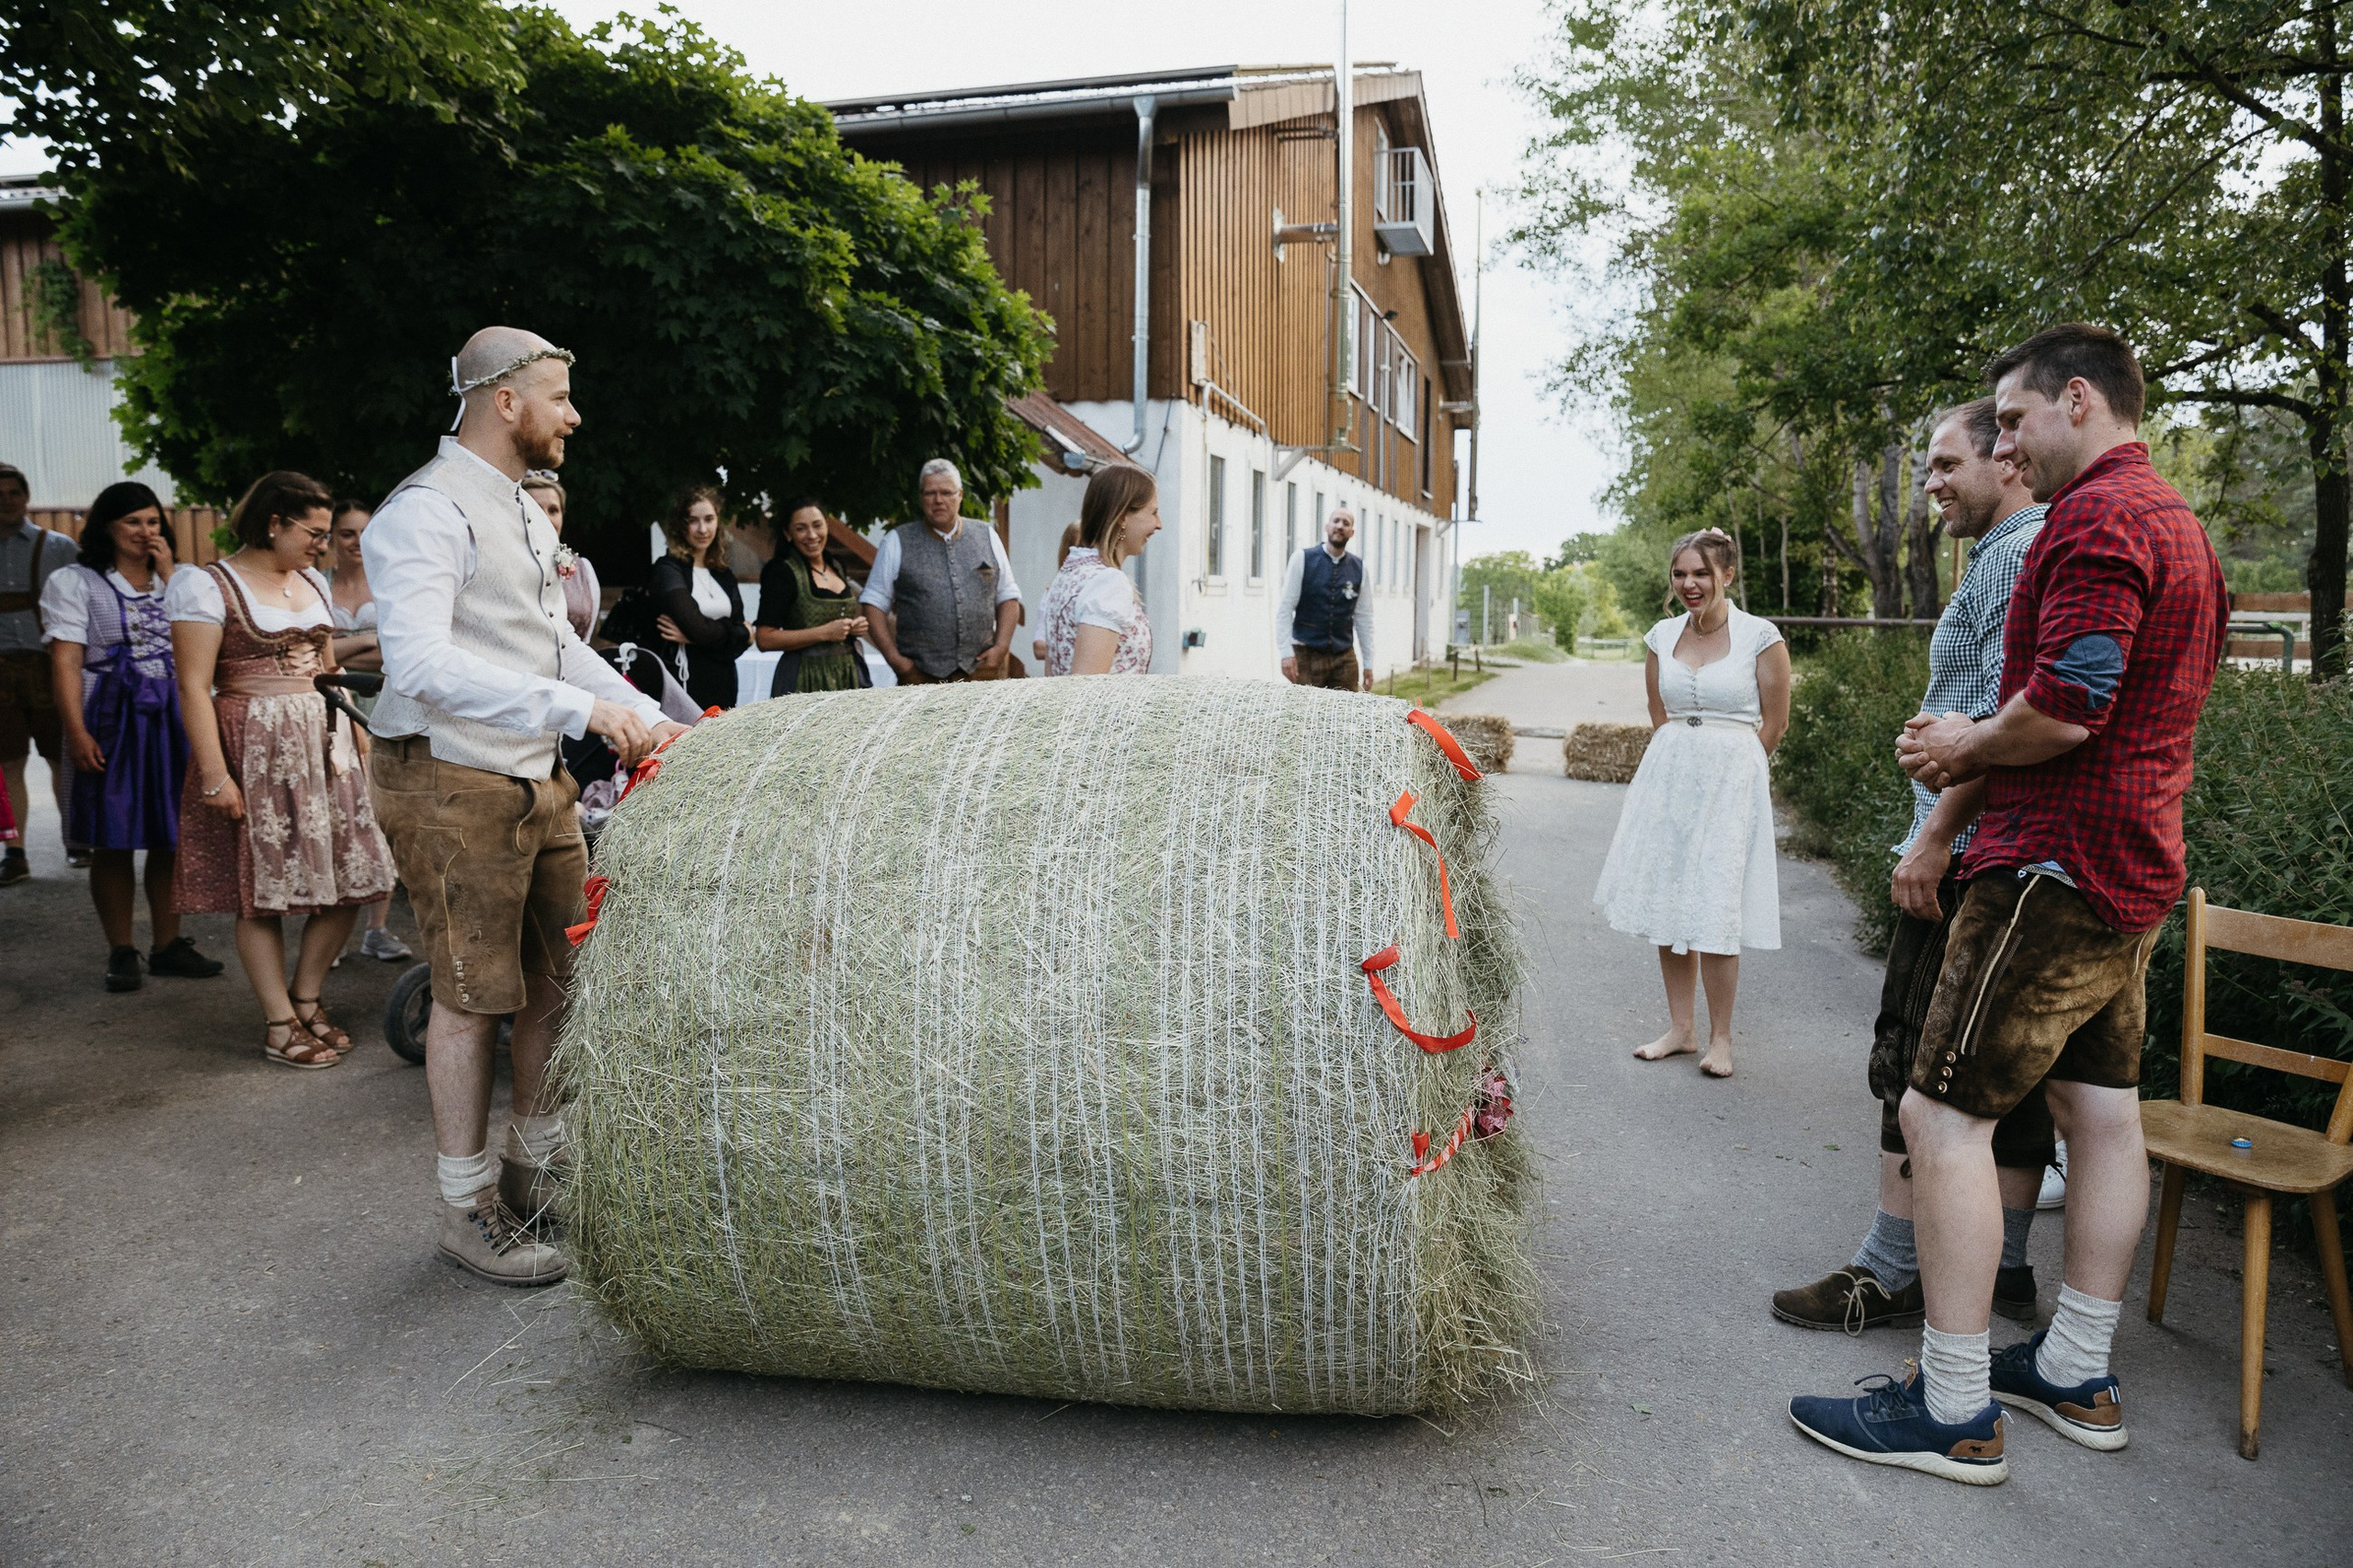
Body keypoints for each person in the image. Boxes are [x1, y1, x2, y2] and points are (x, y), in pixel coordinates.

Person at [1790, 324, 2228, 1484]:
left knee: (1940, 1118)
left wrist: (1958, 749)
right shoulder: (2182, 524)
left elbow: (2068, 705)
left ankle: (1952, 1405)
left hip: (2049, 865)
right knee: (2101, 1117)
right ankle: (2074, 1369)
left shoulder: (2093, 520)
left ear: (2076, 400)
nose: (2009, 445)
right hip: (2138, 865)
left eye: (2017, 420)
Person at [366, 325, 685, 1287]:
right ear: (506, 401)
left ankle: (532, 1167)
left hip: (531, 773)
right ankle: (467, 1210)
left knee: (556, 978)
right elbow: (420, 665)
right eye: (559, 395)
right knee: (470, 997)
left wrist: (643, 713)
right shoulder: (421, 514)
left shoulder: (519, 510)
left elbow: (547, 646)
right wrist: (576, 710)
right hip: (448, 775)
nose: (573, 414)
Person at [1770, 397, 2053, 1335]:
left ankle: (1888, 1270)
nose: (1928, 484)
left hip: (1970, 849)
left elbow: (2010, 721)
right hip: (2001, 849)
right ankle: (2004, 1264)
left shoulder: (2016, 556)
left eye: (1943, 464)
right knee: (1997, 1076)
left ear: (2004, 459)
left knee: (1914, 1065)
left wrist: (1933, 834)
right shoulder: (2013, 551)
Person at [169, 470, 397, 1067]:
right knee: (261, 890)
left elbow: (328, 675)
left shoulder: (313, 584)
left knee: (357, 876)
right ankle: (278, 1023)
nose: (324, 543)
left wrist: (360, 748)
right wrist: (216, 777)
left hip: (326, 742)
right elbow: (194, 687)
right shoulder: (208, 585)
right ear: (274, 523)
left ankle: (307, 996)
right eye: (315, 532)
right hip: (255, 745)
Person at [1590, 528, 1790, 1079]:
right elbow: (1660, 711)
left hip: (1732, 780)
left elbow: (1775, 723)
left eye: (1701, 573)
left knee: (1715, 902)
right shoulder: (1661, 636)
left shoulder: (1761, 636)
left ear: (1727, 574)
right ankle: (1681, 1029)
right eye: (1680, 574)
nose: (1690, 584)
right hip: (1671, 778)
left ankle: (1721, 1038)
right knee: (1670, 900)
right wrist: (1682, 759)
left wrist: (1738, 767)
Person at [42, 482, 224, 991]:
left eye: (152, 522)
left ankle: (167, 944)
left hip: (173, 713)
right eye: (133, 522)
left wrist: (171, 576)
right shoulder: (75, 582)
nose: (146, 532)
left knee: (172, 834)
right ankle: (120, 949)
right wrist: (76, 730)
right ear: (106, 527)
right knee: (112, 838)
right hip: (111, 715)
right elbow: (66, 660)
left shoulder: (180, 581)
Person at [322, 501, 414, 965]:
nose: (357, 543)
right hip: (332, 707)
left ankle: (376, 928)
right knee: (339, 812)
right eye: (346, 534)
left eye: (364, 532)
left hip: (389, 703)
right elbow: (315, 657)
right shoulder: (317, 588)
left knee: (384, 811)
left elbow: (404, 653)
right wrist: (367, 642)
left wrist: (341, 650)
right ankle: (329, 925)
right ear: (331, 539)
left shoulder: (392, 583)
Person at [860, 458, 1023, 684]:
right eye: (930, 493)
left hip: (981, 671)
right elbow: (873, 603)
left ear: (960, 495)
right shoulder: (897, 541)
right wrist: (895, 660)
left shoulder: (987, 535)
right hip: (918, 675)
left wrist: (1002, 647)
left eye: (946, 493)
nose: (938, 500)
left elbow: (1008, 596)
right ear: (920, 498)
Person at [0, 461, 78, 883]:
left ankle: (75, 839)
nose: (7, 501)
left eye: (13, 492)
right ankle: (15, 852)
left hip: (49, 667)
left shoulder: (59, 547)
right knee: (8, 762)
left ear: (26, 496)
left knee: (61, 756)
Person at [1040, 466, 1161, 676]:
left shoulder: (1069, 573)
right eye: (1153, 512)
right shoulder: (1108, 583)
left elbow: (1052, 674)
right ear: (1123, 516)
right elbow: (1089, 687)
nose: (1159, 524)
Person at [755, 496, 870, 694]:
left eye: (817, 525)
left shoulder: (836, 565)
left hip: (847, 674)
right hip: (804, 678)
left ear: (827, 525)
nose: (812, 535)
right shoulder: (781, 572)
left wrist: (854, 627)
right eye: (801, 529)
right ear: (788, 533)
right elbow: (765, 639)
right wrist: (824, 632)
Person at [649, 485, 749, 710]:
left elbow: (739, 641)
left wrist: (696, 637)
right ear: (680, 525)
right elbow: (701, 630)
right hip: (684, 682)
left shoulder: (723, 573)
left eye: (709, 519)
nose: (702, 529)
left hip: (723, 680)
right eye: (693, 520)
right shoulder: (668, 569)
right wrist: (739, 633)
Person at [1278, 507, 1375, 691]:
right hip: (1306, 655)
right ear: (1327, 527)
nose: (1340, 526)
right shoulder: (1302, 559)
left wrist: (1368, 664)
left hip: (1343, 656)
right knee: (1305, 714)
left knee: (1347, 713)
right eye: (1336, 521)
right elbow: (1285, 609)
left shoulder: (1360, 568)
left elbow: (1365, 618)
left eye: (1346, 523)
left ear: (1352, 533)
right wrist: (1286, 653)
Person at [521, 472, 602, 642]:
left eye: (553, 510)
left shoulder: (583, 569)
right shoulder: (504, 562)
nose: (545, 517)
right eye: (535, 508)